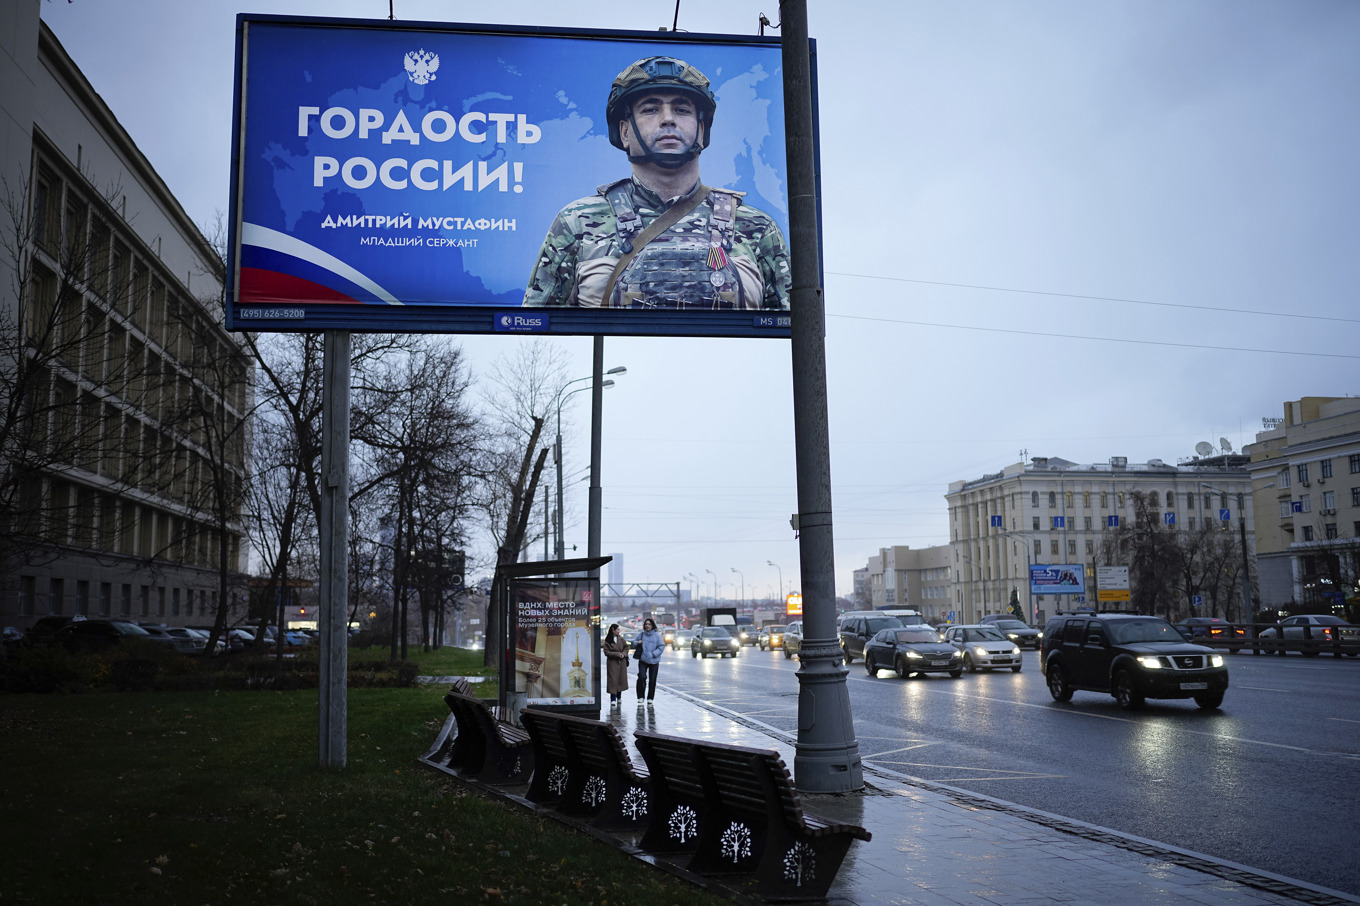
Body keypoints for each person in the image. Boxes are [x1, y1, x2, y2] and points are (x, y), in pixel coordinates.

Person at [523, 55, 791, 311]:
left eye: (682, 109)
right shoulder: (576, 222)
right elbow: (535, 333)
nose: (667, 118)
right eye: (650, 109)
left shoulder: (757, 228)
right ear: (625, 132)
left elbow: (791, 338)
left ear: (701, 129)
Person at [634, 618, 666, 704]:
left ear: (652, 626)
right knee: (641, 677)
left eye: (649, 624)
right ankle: (640, 696)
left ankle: (650, 698)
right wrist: (638, 643)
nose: (647, 626)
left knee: (652, 680)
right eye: (646, 624)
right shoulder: (641, 634)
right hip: (643, 660)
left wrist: (653, 654)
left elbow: (661, 646)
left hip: (654, 661)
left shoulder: (657, 635)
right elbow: (634, 642)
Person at [603, 623, 629, 707]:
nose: (619, 631)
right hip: (612, 663)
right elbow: (606, 652)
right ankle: (613, 698)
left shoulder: (621, 639)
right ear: (613, 631)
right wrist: (617, 654)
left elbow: (626, 647)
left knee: (620, 680)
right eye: (617, 629)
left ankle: (619, 697)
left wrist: (624, 654)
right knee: (613, 680)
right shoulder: (607, 641)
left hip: (621, 662)